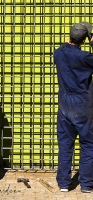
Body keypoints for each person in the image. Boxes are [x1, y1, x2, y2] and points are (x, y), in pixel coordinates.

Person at [54, 22, 93, 193]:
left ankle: (64, 183)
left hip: (64, 103)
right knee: (88, 144)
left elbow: (65, 49)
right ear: (85, 40)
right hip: (82, 104)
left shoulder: (58, 53)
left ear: (69, 36)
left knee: (65, 144)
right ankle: (86, 184)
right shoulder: (85, 58)